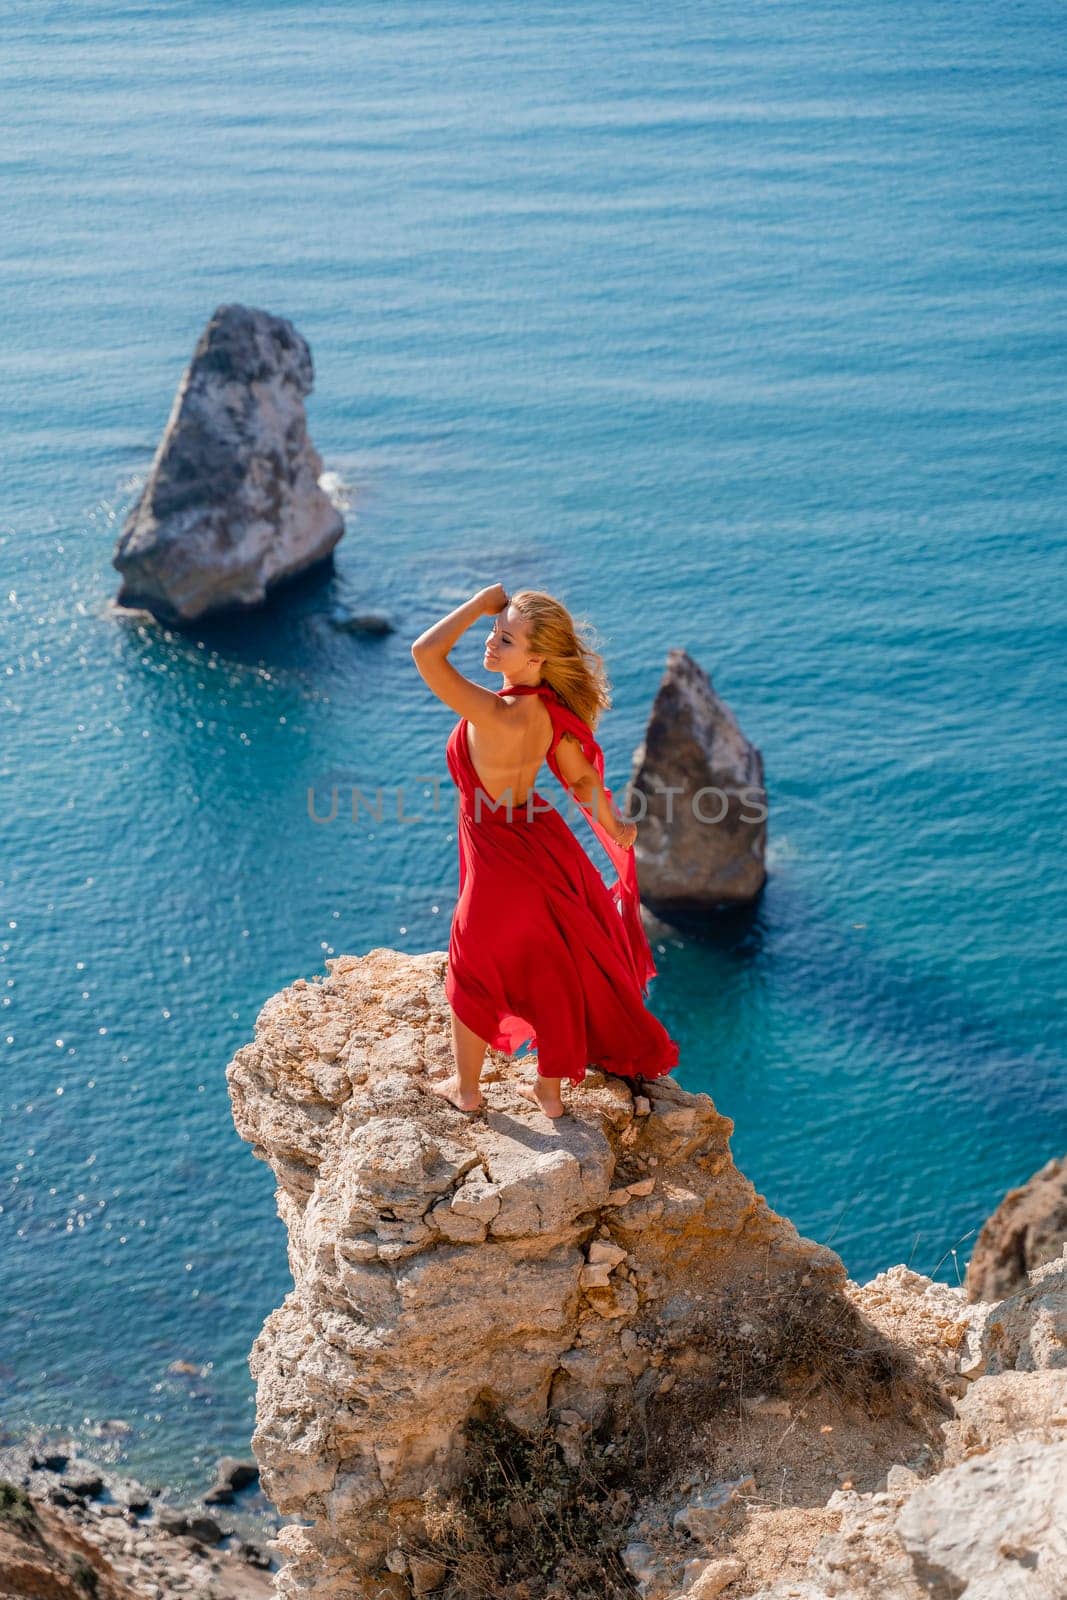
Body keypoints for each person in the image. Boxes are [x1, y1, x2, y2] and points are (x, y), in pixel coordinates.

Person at [410, 583, 680, 1118]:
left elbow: (424, 653)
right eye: (492, 631)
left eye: (504, 638)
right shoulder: (549, 711)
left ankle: (465, 1091)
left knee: (470, 965)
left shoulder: (497, 712)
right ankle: (549, 1093)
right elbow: (581, 782)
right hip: (542, 843)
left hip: (498, 853)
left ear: (536, 658)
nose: (490, 642)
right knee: (554, 963)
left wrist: (476, 604)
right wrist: (616, 825)